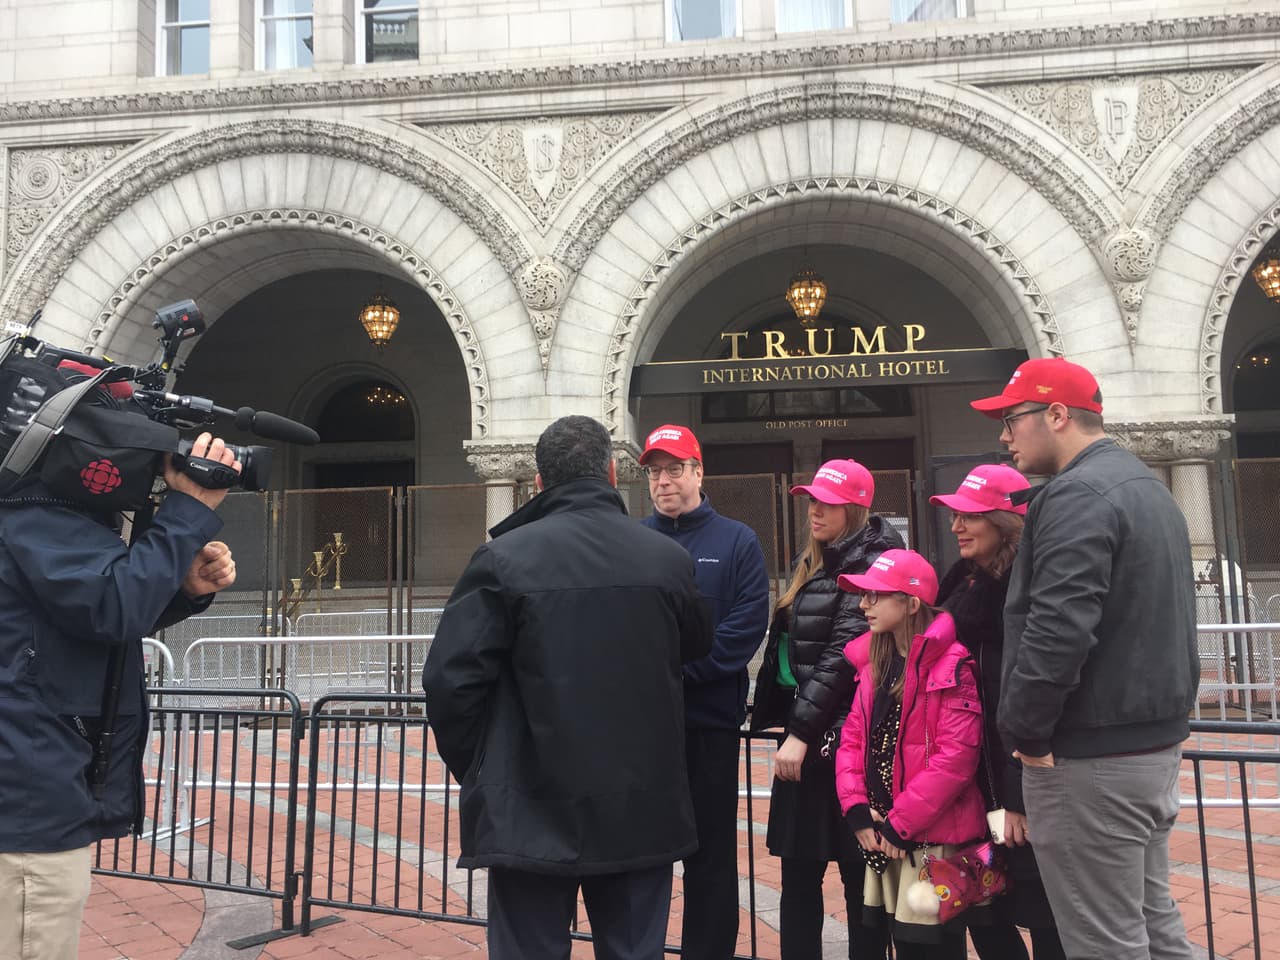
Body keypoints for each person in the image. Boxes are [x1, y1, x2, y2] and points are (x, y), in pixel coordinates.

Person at [421, 415, 712, 960]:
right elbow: (696, 645)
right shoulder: (667, 560)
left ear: (537, 482)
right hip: (640, 801)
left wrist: (482, 765)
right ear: (610, 471)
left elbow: (448, 680)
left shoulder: (503, 557)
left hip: (530, 803)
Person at [969, 357, 1198, 960]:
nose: (1004, 436)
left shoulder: (1074, 495)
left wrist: (1027, 733)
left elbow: (1058, 628)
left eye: (1013, 419)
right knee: (1152, 924)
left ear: (1058, 414)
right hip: (1148, 746)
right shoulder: (1146, 486)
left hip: (1089, 756)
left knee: (1103, 941)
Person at [0, 432, 240, 960]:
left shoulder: (30, 515)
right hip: (26, 806)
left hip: (33, 791)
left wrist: (180, 588)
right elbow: (112, 605)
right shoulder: (34, 514)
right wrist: (187, 510)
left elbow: (82, 630)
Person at [750, 459, 900, 960]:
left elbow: (843, 656)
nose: (813, 508)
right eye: (811, 498)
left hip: (846, 741)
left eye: (827, 501)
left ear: (855, 507)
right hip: (809, 729)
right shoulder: (813, 558)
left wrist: (801, 733)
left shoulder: (874, 561)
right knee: (798, 873)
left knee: (862, 882)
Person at [637, 423, 770, 960]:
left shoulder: (737, 540)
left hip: (710, 725)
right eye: (654, 472)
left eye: (674, 469)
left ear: (698, 471)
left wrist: (675, 673)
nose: (663, 481)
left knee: (710, 855)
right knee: (643, 851)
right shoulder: (635, 540)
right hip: (647, 729)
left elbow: (745, 626)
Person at [930, 464, 1065, 960]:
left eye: (970, 516)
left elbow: (1031, 699)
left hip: (1022, 778)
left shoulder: (1028, 592)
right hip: (971, 780)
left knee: (1045, 910)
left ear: (1006, 522)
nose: (956, 526)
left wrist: (1017, 798)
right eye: (955, 515)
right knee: (982, 907)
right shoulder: (960, 586)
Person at [834, 549, 985, 960]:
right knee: (898, 941)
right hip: (887, 836)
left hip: (928, 842)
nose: (864, 605)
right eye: (864, 595)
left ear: (912, 603)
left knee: (929, 949)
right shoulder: (874, 665)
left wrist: (900, 825)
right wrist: (857, 809)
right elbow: (852, 741)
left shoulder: (952, 664)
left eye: (876, 595)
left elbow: (955, 759)